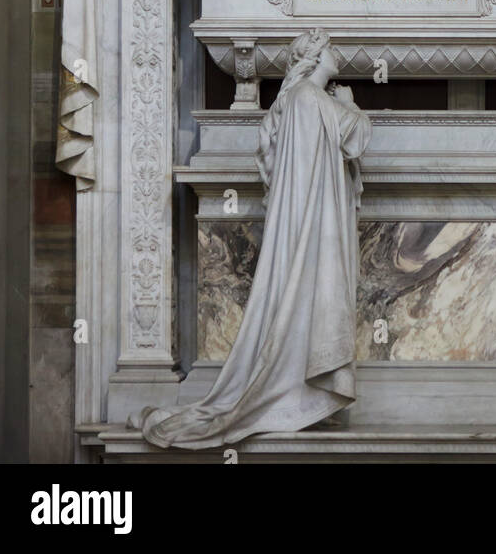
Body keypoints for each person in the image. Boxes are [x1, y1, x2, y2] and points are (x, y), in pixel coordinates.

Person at [131, 29, 371, 448]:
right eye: (330, 48)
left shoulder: (296, 102)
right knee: (312, 300)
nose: (337, 55)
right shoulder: (314, 101)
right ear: (314, 57)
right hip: (315, 229)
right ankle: (298, 394)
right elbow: (355, 136)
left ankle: (298, 395)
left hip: (303, 225)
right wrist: (351, 106)